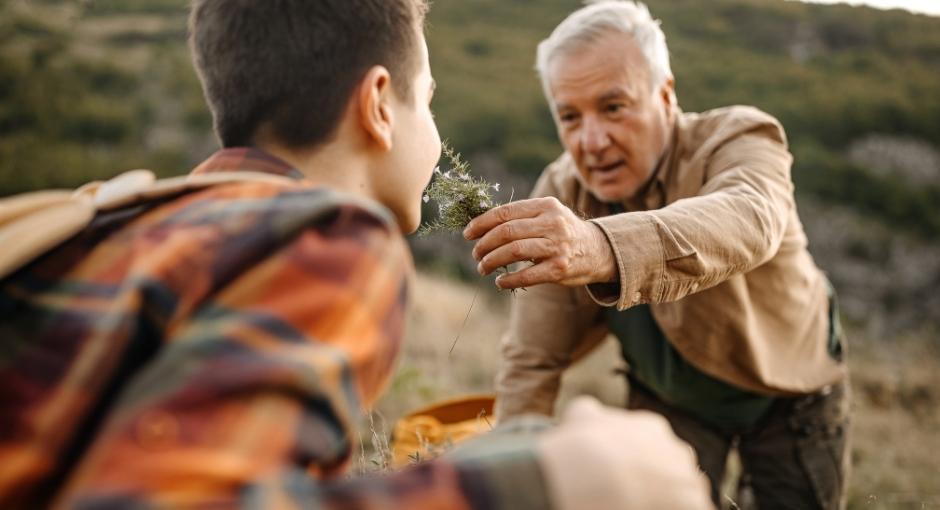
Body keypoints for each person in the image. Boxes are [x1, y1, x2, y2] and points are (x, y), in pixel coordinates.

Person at [0, 1, 713, 509]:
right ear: (378, 104)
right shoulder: (324, 235)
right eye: (427, 103)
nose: (434, 138)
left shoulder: (123, 221)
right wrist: (551, 484)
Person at [464, 1, 851, 509]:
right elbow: (534, 358)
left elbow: (750, 218)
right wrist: (509, 480)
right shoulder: (563, 187)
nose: (592, 141)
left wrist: (599, 245)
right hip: (669, 399)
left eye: (614, 107)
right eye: (569, 117)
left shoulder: (741, 137)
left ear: (665, 95)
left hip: (788, 392)